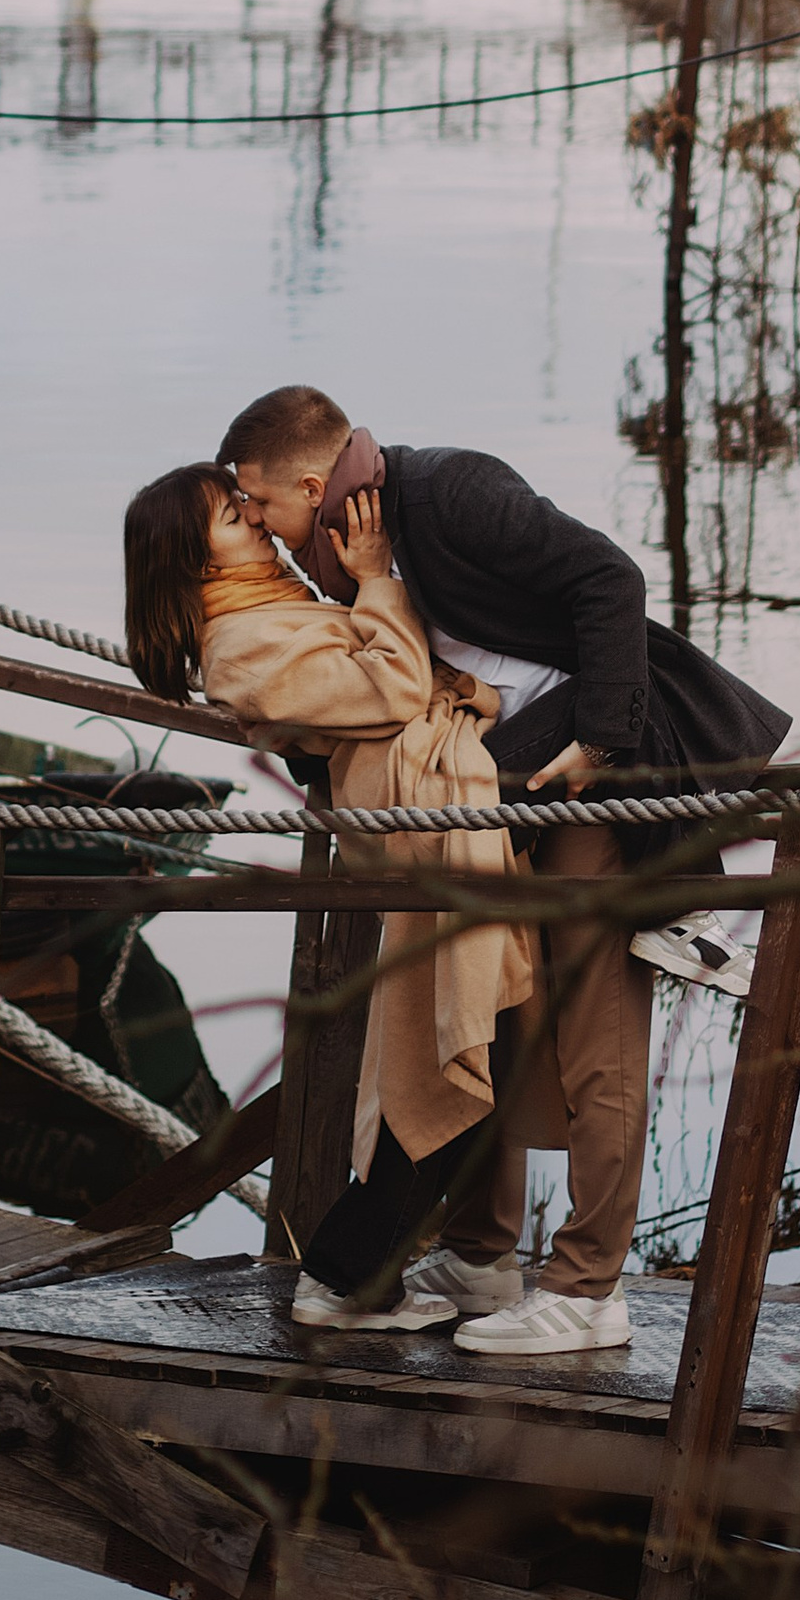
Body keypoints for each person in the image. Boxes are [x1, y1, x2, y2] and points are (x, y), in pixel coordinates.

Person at [219, 385, 790, 1359]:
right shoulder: (345, 554)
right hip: (491, 812)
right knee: (484, 1017)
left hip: (590, 786)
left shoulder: (450, 492)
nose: (260, 529)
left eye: (261, 505)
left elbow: (609, 582)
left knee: (592, 1034)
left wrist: (601, 746)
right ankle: (482, 1258)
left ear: (311, 486)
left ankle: (585, 1290)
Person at [122, 461, 532, 1333]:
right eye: (235, 519)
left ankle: (399, 1267)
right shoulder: (241, 648)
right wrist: (380, 576)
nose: (259, 524)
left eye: (247, 505)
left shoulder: (267, 612)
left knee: (470, 1039)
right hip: (427, 836)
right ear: (196, 565)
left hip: (441, 818)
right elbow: (393, 687)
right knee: (441, 1050)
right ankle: (341, 1279)